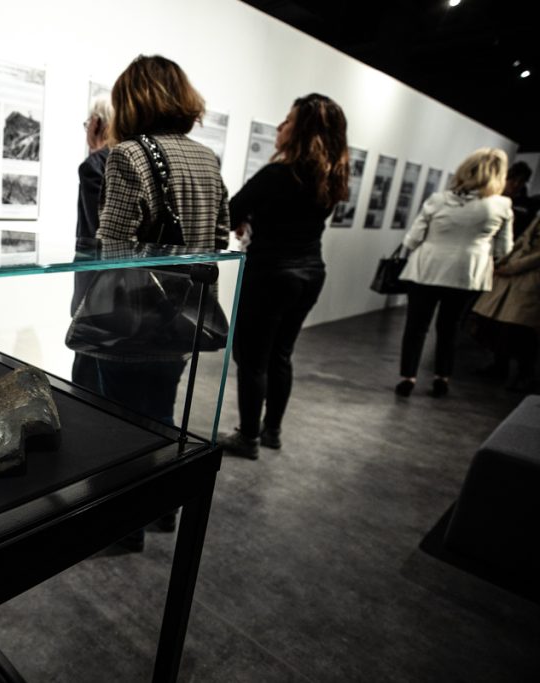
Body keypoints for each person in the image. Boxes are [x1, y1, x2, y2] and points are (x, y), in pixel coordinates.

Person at [90, 55, 229, 548]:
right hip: (185, 317)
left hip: (133, 320)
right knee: (162, 414)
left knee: (121, 426)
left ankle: (125, 530)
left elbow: (115, 251)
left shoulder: (128, 155)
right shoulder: (207, 158)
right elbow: (219, 238)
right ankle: (164, 508)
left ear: (132, 100)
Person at [218, 94, 350, 460]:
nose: (280, 127)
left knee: (251, 358)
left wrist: (247, 219)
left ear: (302, 131)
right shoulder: (329, 178)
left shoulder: (278, 174)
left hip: (270, 274)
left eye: (288, 121)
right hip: (310, 273)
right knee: (280, 355)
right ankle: (271, 431)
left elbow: (230, 212)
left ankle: (247, 437)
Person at [394, 148, 513, 398]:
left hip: (426, 269)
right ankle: (442, 377)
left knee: (416, 326)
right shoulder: (501, 205)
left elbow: (413, 238)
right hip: (467, 273)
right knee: (450, 327)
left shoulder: (438, 200)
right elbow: (503, 249)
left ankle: (408, 377)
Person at [69, 96, 113, 393]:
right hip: (125, 293)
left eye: (87, 123)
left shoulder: (95, 165)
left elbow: (97, 232)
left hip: (96, 288)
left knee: (87, 378)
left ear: (97, 124)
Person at [470, 214, 540, 392]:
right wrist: (502, 261)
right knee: (498, 323)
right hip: (513, 274)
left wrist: (511, 267)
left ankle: (525, 374)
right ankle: (499, 365)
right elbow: (523, 240)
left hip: (530, 277)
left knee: (521, 329)